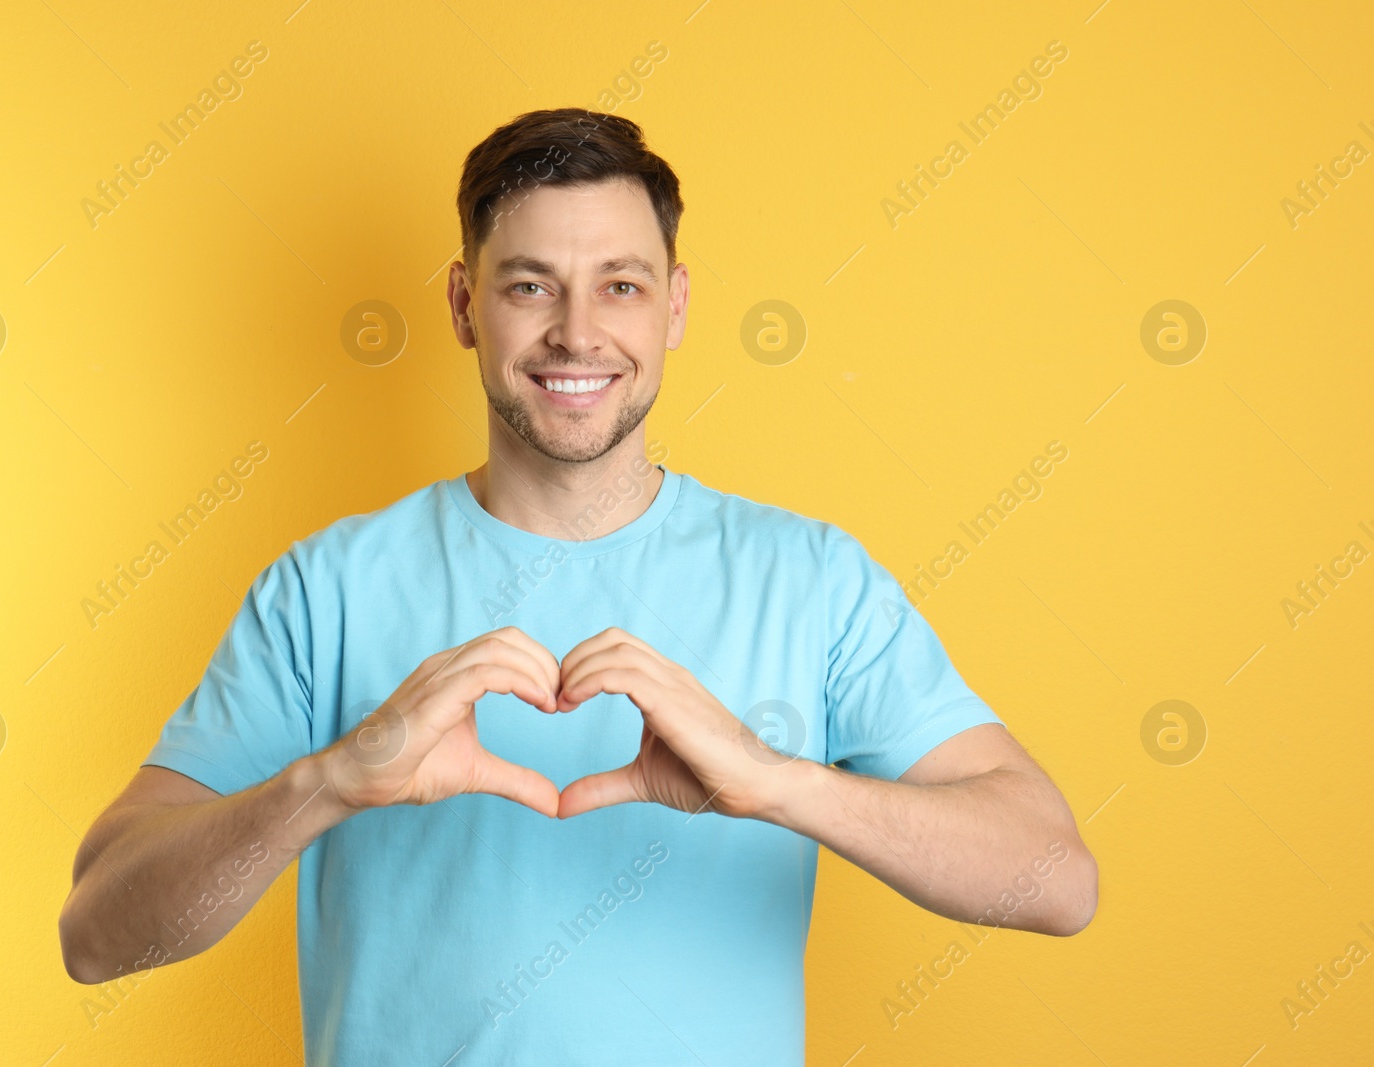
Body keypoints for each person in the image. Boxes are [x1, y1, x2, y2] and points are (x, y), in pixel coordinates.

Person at [58, 106, 1097, 1065]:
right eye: (529, 284)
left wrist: (775, 780)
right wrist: (329, 780)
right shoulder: (323, 586)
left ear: (675, 305)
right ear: (465, 305)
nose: (576, 332)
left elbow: (1054, 879)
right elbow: (98, 934)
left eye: (621, 283)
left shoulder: (813, 578)